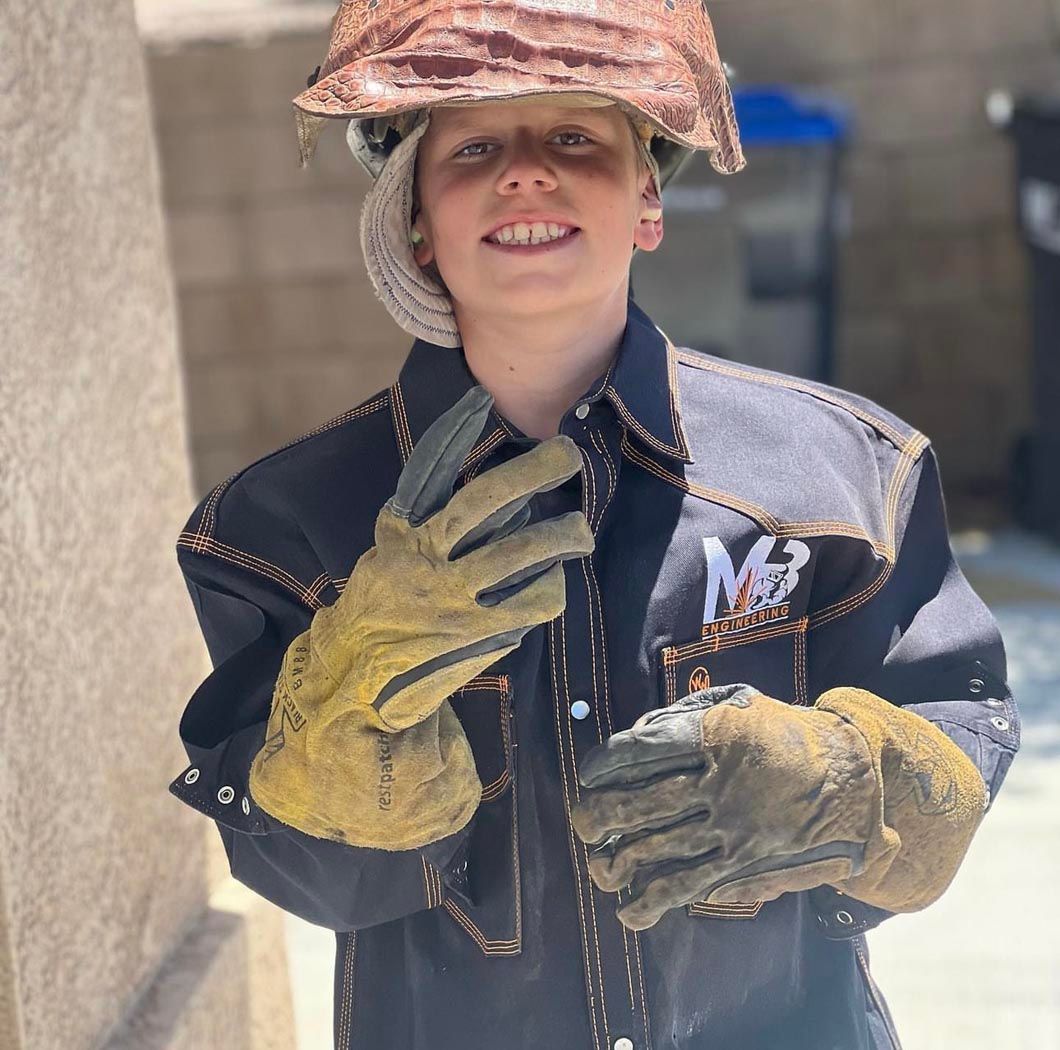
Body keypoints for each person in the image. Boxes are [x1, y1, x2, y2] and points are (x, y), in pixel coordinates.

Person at [168, 3, 1021, 1048]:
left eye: (574, 136)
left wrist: (849, 782)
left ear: (648, 197)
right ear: (413, 221)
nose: (527, 173)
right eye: (472, 147)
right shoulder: (280, 529)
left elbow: (955, 728)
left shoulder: (846, 477)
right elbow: (315, 882)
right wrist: (335, 737)